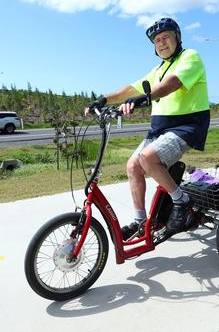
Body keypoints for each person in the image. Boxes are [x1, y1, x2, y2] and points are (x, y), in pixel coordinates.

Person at [86, 17, 210, 239]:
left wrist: (145, 98)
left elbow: (171, 84)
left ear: (177, 38)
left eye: (166, 38)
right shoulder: (158, 69)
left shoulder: (190, 57)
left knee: (148, 157)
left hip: (187, 126)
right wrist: (103, 100)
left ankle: (181, 201)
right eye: (157, 41)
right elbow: (129, 90)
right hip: (160, 129)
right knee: (133, 166)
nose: (162, 43)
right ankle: (140, 221)